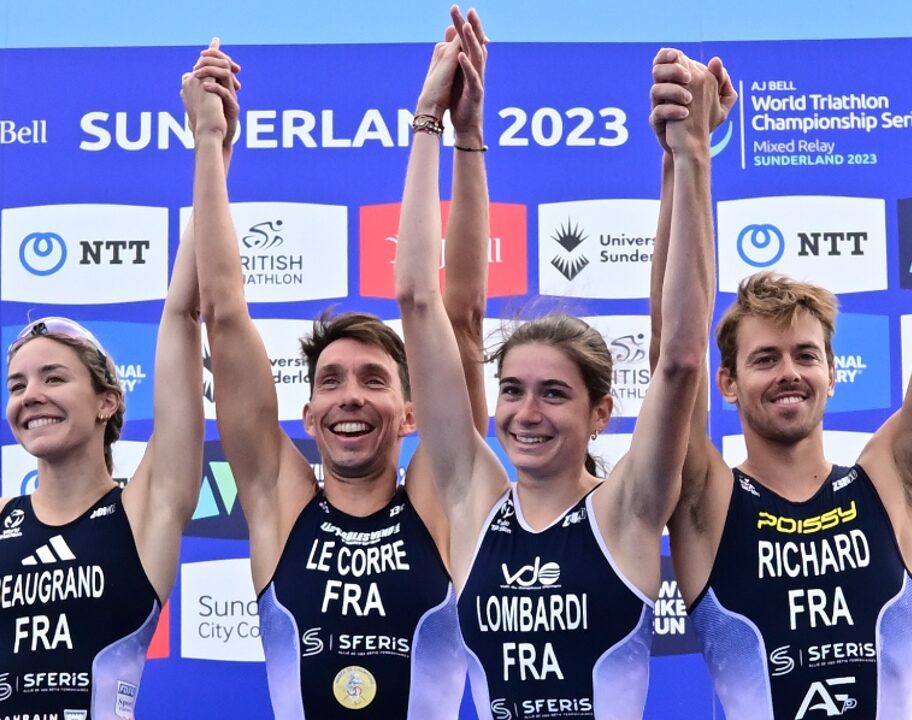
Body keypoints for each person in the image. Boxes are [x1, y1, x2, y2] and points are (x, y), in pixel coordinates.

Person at [395, 41, 718, 720]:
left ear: (601, 413)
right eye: (511, 390)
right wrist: (436, 123)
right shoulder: (470, 498)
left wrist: (691, 161)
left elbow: (681, 355)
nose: (525, 412)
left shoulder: (627, 507)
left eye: (553, 393)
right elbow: (421, 301)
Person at [184, 9, 490, 717]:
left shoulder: (444, 500)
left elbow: (462, 324)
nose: (350, 396)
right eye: (331, 382)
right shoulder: (279, 505)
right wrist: (209, 141)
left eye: (374, 379)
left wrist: (458, 134)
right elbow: (223, 314)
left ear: (412, 413)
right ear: (309, 416)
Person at [650, 50, 912, 719]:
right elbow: (670, 355)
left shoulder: (886, 476)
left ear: (831, 372)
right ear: (730, 384)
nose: (790, 372)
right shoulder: (707, 499)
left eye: (805, 355)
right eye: (765, 359)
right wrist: (688, 161)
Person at [0, 45, 218, 719]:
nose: (29, 396)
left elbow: (183, 315)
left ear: (107, 401)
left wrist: (210, 143)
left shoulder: (145, 508)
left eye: (52, 378)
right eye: (16, 385)